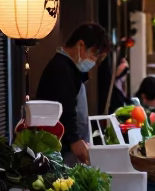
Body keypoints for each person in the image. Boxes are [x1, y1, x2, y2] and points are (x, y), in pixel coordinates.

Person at [35, 22, 110, 165]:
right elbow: (66, 108)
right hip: (59, 149)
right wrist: (74, 139)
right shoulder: (61, 68)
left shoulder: (71, 68)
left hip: (67, 147)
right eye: (94, 54)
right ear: (80, 45)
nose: (94, 61)